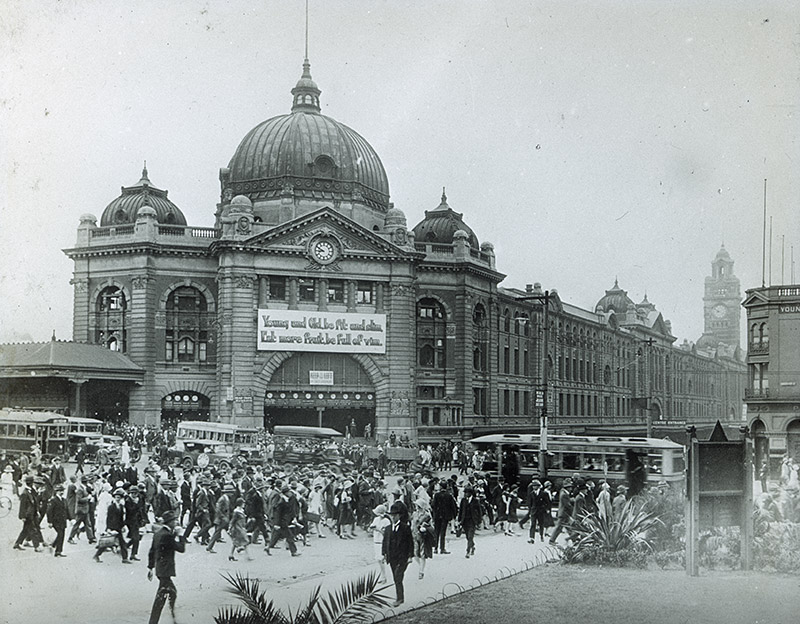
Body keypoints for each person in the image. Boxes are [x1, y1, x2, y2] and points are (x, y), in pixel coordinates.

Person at [148, 509, 186, 624]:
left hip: (160, 569)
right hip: (165, 570)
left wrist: (150, 567)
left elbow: (152, 551)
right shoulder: (167, 536)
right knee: (169, 593)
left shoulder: (159, 533)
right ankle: (170, 616)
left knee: (166, 594)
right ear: (169, 522)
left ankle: (166, 617)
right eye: (174, 520)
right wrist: (181, 535)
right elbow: (181, 548)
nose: (176, 522)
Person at [382, 500, 414, 607]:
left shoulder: (405, 528)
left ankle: (400, 598)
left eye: (395, 515)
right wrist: (384, 554)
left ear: (399, 516)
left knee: (398, 576)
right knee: (396, 577)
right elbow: (385, 542)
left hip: (402, 557)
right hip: (392, 557)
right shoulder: (387, 529)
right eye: (391, 515)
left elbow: (410, 543)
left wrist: (410, 556)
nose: (393, 517)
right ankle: (400, 597)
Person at [94, 488, 131, 564]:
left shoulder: (121, 506)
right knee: (108, 543)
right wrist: (108, 528)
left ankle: (125, 558)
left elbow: (121, 518)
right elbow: (108, 518)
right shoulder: (111, 507)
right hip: (113, 527)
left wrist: (123, 526)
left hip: (118, 527)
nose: (118, 499)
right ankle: (97, 555)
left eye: (119, 497)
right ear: (114, 498)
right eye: (117, 497)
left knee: (121, 543)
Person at [266, 485, 300, 556]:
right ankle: (294, 551)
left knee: (276, 536)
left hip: (283, 521)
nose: (290, 493)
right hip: (283, 522)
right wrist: (276, 523)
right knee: (289, 536)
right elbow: (278, 513)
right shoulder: (282, 501)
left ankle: (268, 547)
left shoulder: (286, 500)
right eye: (288, 492)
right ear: (286, 493)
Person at [13, 475, 41, 551]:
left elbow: (35, 502)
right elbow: (22, 506)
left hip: (32, 514)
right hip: (28, 515)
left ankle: (17, 543)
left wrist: (37, 511)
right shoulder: (25, 493)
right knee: (33, 530)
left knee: (25, 530)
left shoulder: (31, 491)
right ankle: (37, 546)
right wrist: (22, 516)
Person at [431, 482, 457, 554]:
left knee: (436, 532)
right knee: (443, 532)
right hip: (445, 516)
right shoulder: (449, 495)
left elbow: (433, 505)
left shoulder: (436, 495)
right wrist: (453, 515)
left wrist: (435, 513)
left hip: (437, 516)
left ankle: (435, 548)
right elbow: (453, 506)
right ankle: (442, 548)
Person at [410, 498, 434, 579]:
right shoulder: (414, 514)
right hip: (414, 535)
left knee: (422, 554)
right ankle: (421, 566)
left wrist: (425, 528)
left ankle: (421, 571)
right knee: (415, 554)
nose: (416, 506)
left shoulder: (427, 515)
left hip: (423, 536)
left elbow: (432, 527)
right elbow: (412, 524)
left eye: (417, 505)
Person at [457, 485, 482, 558]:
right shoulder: (463, 500)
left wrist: (479, 521)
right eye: (465, 492)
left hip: (472, 521)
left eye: (467, 492)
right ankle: (472, 546)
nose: (465, 494)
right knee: (468, 536)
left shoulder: (475, 501)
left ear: (471, 493)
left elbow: (479, 511)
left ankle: (468, 551)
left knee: (470, 536)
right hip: (465, 521)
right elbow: (461, 511)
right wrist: (459, 520)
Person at [548, 478, 574, 546]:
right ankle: (551, 540)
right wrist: (573, 510)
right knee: (559, 527)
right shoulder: (564, 494)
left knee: (568, 527)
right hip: (564, 513)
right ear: (567, 488)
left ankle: (573, 538)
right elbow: (567, 505)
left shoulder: (563, 492)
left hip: (564, 513)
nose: (571, 489)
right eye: (570, 487)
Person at [46, 482, 69, 557]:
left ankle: (53, 545)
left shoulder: (64, 500)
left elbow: (66, 510)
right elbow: (49, 512)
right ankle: (58, 551)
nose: (62, 492)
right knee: (60, 535)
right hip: (56, 521)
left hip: (63, 520)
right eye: (60, 491)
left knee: (61, 535)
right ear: (56, 492)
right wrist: (50, 522)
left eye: (62, 490)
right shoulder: (53, 500)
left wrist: (70, 518)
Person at [369, 503, 390, 582]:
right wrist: (372, 528)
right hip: (376, 541)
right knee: (378, 560)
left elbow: (386, 533)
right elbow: (371, 528)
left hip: (382, 541)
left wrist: (378, 529)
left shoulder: (386, 521)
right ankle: (383, 575)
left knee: (381, 559)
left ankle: (384, 576)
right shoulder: (376, 519)